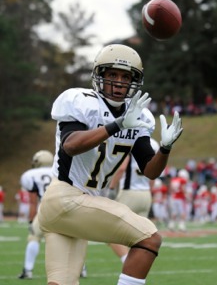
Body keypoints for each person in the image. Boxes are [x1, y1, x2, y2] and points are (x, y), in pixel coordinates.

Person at [38, 43, 183, 285]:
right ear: (100, 77)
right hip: (67, 197)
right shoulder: (81, 100)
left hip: (75, 207)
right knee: (150, 238)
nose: (118, 82)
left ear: (134, 82)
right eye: (112, 75)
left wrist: (165, 149)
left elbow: (150, 170)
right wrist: (118, 125)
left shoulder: (139, 116)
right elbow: (71, 145)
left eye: (125, 77)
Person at [107, 138, 159, 264]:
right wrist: (149, 191)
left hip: (129, 193)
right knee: (139, 237)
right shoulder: (154, 144)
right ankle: (136, 270)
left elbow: (121, 168)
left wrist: (112, 187)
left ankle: (129, 263)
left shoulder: (132, 140)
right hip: (146, 195)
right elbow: (154, 172)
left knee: (109, 232)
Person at [18, 150, 54, 279]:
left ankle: (27, 270)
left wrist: (31, 220)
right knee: (70, 239)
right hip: (64, 209)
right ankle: (82, 269)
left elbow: (33, 202)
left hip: (45, 209)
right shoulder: (59, 169)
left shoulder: (30, 175)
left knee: (34, 237)